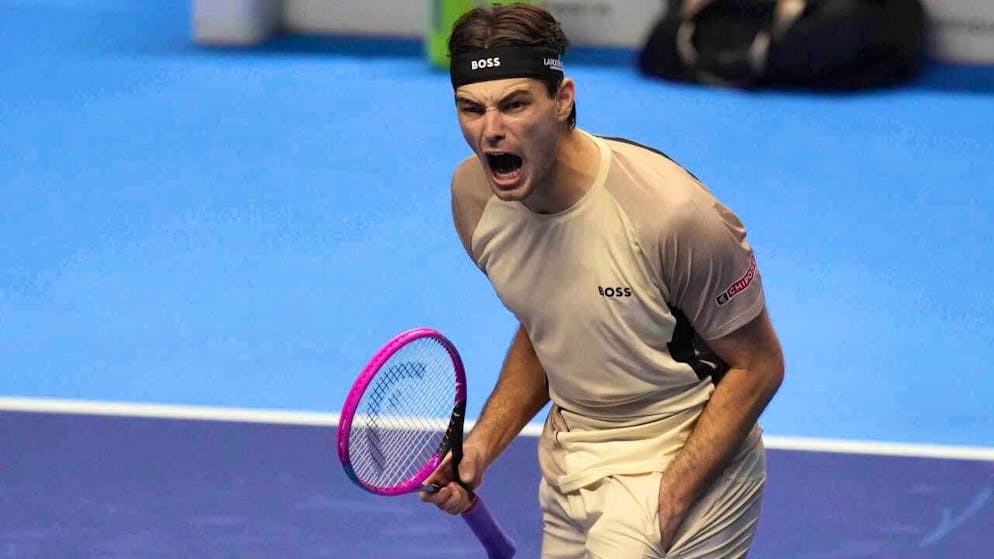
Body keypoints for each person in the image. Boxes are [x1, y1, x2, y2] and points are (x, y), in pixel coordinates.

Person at [420, 4, 785, 558]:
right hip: (573, 461)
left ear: (562, 99)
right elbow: (552, 326)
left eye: (515, 104)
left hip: (679, 447)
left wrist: (670, 495)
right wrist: (481, 447)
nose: (491, 131)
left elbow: (759, 365)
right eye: (471, 109)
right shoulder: (474, 199)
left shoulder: (668, 215)